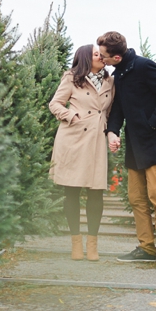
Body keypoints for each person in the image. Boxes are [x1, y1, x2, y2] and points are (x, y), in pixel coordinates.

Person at [97, 31, 156, 268]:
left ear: (117, 57)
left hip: (155, 144)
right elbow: (119, 109)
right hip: (135, 146)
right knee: (136, 198)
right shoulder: (120, 74)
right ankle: (145, 248)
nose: (101, 58)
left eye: (104, 55)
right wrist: (112, 131)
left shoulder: (145, 67)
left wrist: (151, 123)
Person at [49, 44, 115, 261]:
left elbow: (111, 111)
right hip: (74, 138)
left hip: (96, 139)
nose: (101, 57)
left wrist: (113, 133)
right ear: (87, 58)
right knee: (72, 191)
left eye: (102, 54)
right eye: (97, 54)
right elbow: (55, 104)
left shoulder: (110, 81)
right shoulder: (72, 78)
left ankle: (92, 244)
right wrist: (72, 117)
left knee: (96, 191)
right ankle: (76, 244)